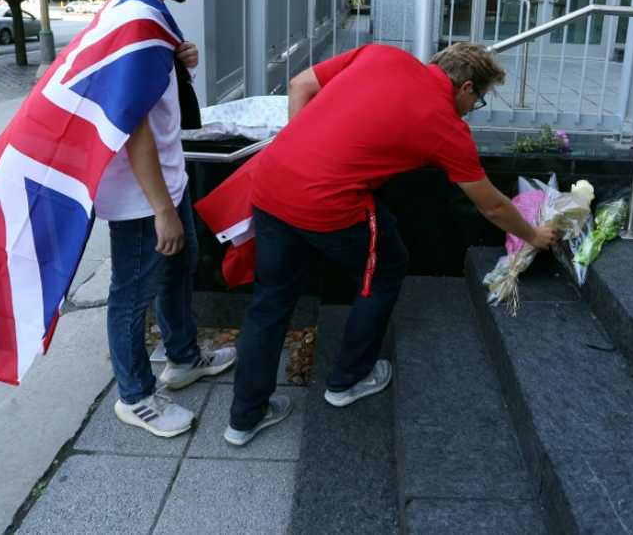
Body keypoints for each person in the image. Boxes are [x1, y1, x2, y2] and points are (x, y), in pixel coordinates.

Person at [223, 42, 557, 446]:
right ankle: (348, 380)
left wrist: (300, 152)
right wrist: (535, 235)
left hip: (271, 181)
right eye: (478, 100)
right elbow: (491, 206)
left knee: (270, 301)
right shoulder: (446, 126)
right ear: (466, 87)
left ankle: (243, 419)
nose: (472, 108)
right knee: (386, 269)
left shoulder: (380, 54)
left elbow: (300, 84)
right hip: (327, 202)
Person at [95, 0, 235, 438]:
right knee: (132, 292)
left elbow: (150, 90)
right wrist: (161, 210)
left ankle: (182, 358)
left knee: (180, 268)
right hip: (141, 195)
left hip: (163, 182)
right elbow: (130, 123)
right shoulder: (135, 20)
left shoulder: (141, 7)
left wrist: (181, 58)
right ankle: (134, 397)